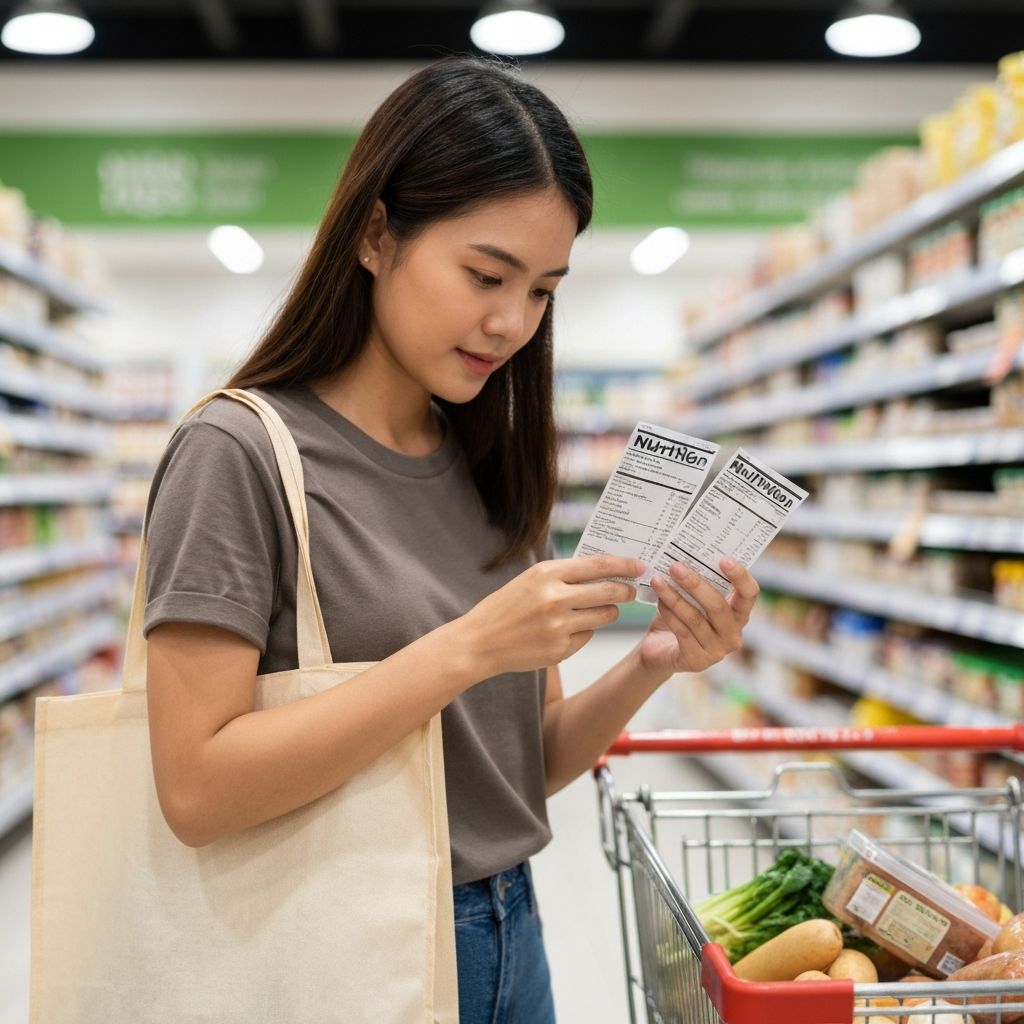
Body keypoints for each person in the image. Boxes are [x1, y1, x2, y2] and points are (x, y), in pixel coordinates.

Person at [142, 55, 760, 1024]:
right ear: (377, 235)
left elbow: (524, 764)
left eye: (544, 289)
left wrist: (655, 660)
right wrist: (467, 647)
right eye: (485, 273)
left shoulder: (489, 463)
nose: (511, 322)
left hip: (514, 931)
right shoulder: (237, 451)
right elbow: (195, 790)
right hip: (339, 948)